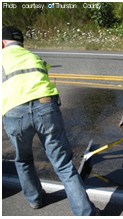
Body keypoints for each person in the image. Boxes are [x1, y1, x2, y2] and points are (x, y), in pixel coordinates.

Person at [2, 26, 100, 215]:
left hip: (15, 113)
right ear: (21, 43)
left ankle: (35, 199)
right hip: (46, 106)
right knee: (63, 165)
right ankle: (86, 213)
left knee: (23, 160)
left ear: (2, 43)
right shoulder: (33, 57)